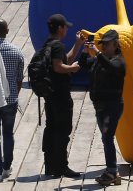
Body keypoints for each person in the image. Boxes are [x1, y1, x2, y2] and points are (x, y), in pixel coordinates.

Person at [78, 29, 126, 186]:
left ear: (115, 44)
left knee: (107, 138)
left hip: (112, 106)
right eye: (102, 44)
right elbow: (84, 64)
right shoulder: (100, 59)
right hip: (100, 107)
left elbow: (111, 68)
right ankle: (111, 171)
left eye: (106, 44)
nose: (104, 47)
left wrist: (97, 53)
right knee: (106, 138)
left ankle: (112, 171)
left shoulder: (119, 61)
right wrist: (85, 51)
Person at [41, 14, 83, 179]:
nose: (67, 29)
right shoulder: (57, 46)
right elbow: (59, 67)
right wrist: (72, 69)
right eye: (65, 27)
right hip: (60, 95)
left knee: (51, 128)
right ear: (59, 28)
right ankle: (61, 167)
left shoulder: (48, 45)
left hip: (50, 95)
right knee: (63, 131)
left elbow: (67, 59)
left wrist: (78, 44)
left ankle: (50, 166)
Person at [0, 19, 25, 182]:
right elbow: (18, 79)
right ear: (7, 31)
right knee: (8, 134)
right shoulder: (17, 52)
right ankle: (7, 167)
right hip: (10, 100)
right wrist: (13, 94)